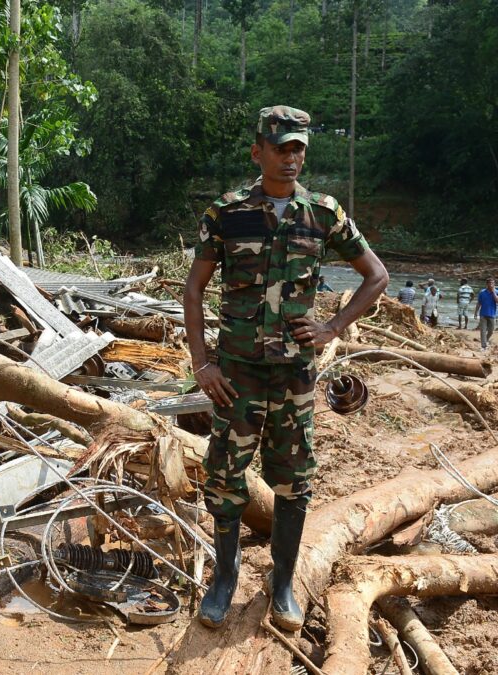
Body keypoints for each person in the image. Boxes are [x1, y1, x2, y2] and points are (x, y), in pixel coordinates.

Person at [183, 106, 388, 633]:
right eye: (282, 147)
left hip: (295, 377)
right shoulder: (226, 212)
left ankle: (282, 584)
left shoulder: (323, 214)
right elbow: (194, 288)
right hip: (237, 377)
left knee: (295, 482)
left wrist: (331, 328)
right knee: (226, 479)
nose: (292, 156)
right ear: (259, 152)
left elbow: (376, 276)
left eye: (299, 148)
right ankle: (224, 579)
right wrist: (201, 362)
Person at [477, 277, 497, 349]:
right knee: (482, 330)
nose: (491, 284)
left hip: (492, 314)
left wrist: (493, 291)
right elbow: (479, 303)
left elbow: (497, 301)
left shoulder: (496, 291)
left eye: (492, 283)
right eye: (489, 283)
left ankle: (486, 340)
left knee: (491, 330)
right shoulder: (482, 292)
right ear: (487, 284)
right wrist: (476, 312)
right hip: (483, 314)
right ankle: (483, 346)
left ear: (494, 284)